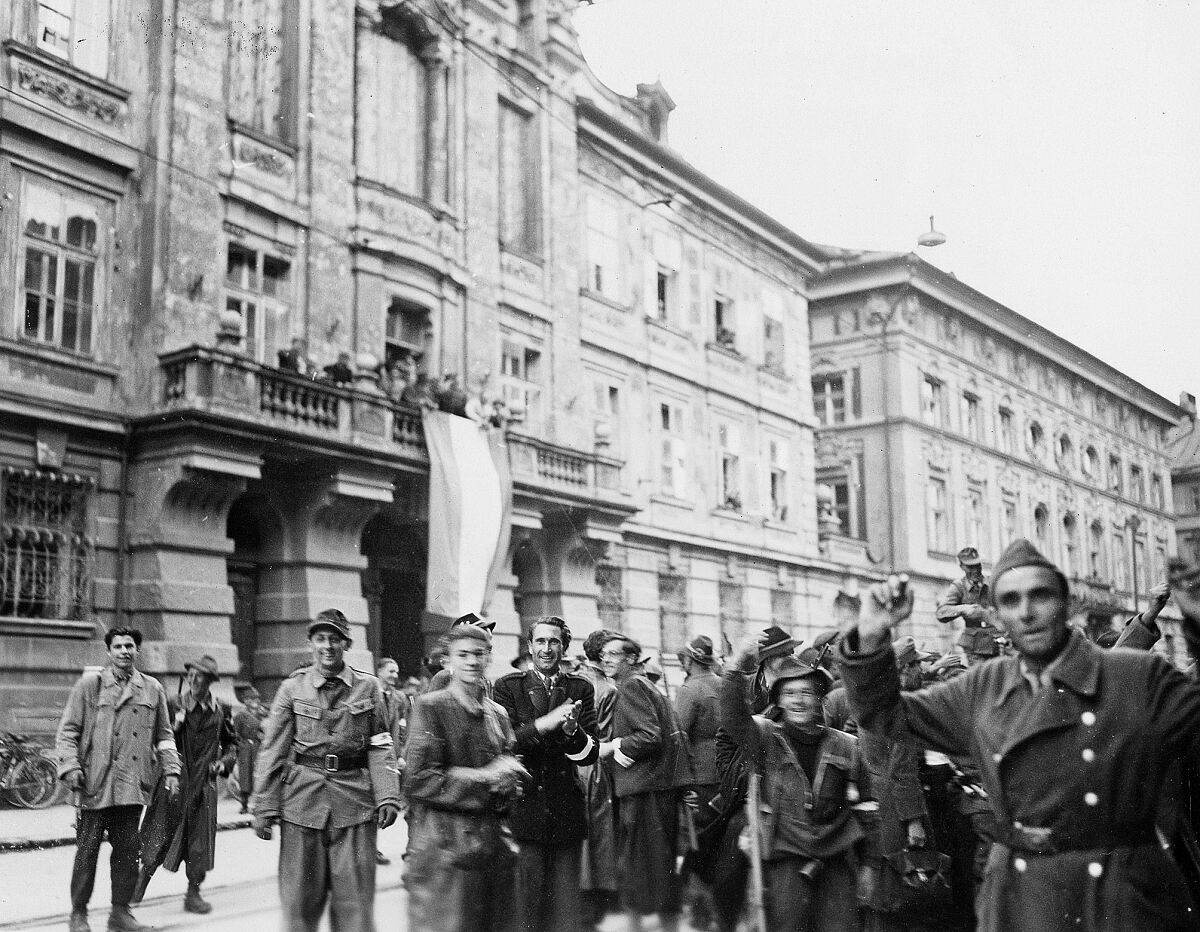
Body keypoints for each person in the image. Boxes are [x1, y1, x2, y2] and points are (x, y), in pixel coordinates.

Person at [839, 539, 1200, 931]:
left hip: (1125, 894)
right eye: (1011, 601)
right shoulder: (983, 687)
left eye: (1040, 596)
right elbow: (886, 716)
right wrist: (871, 638)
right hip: (1026, 898)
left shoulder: (1137, 676)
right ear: (995, 618)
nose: (1026, 613)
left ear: (1068, 604)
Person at [251, 609, 401, 932]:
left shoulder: (369, 688)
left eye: (335, 639)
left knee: (356, 909)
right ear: (310, 644)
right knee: (298, 907)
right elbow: (272, 750)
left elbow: (380, 743)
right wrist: (264, 805)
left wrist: (388, 794)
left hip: (356, 805)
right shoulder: (292, 689)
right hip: (302, 805)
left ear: (346, 643)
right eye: (320, 639)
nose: (327, 646)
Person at [721, 635, 876, 932]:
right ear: (778, 700)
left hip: (836, 862)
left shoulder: (848, 747)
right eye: (790, 694)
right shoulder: (765, 738)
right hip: (787, 862)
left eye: (807, 693)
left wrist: (870, 864)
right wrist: (736, 666)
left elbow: (869, 809)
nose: (799, 701)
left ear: (820, 699)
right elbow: (732, 716)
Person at [55, 627, 181, 932]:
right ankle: (78, 914)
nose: (124, 651)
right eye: (118, 646)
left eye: (129, 646)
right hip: (94, 784)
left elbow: (164, 736)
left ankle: (120, 913)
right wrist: (70, 766)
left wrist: (173, 770)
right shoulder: (90, 685)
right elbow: (67, 731)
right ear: (108, 651)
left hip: (132, 784)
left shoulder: (152, 689)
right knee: (87, 851)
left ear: (138, 651)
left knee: (127, 852)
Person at [404, 622, 527, 932]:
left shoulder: (497, 712)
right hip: (444, 845)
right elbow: (418, 779)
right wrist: (485, 777)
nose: (472, 661)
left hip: (493, 840)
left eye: (479, 654)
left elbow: (509, 759)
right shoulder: (431, 707)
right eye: (463, 655)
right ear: (449, 660)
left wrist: (511, 782)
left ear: (488, 657)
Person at [492, 616, 599, 932]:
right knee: (526, 906)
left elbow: (589, 753)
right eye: (540, 641)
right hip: (525, 808)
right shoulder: (509, 687)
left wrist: (572, 731)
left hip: (566, 807)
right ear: (529, 646)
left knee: (565, 910)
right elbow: (506, 740)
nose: (547, 648)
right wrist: (547, 722)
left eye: (554, 642)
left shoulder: (580, 687)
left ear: (564, 647)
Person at [133, 655, 237, 914]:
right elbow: (156, 740)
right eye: (189, 675)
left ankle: (193, 894)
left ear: (210, 681)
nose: (192, 679)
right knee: (159, 832)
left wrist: (224, 763)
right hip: (175, 781)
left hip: (204, 783)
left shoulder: (222, 709)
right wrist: (174, 726)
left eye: (198, 676)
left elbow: (232, 744)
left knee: (199, 842)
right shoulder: (173, 704)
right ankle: (139, 882)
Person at [598, 635, 684, 931]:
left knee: (639, 866)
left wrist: (614, 746)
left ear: (632, 658)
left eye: (613, 654)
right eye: (603, 655)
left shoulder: (632, 686)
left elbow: (649, 736)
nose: (605, 660)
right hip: (655, 787)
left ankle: (641, 925)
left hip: (644, 789)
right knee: (656, 866)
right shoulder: (645, 684)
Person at [675, 636, 722, 930]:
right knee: (719, 840)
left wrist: (681, 781)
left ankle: (701, 910)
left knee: (698, 840)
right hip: (726, 773)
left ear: (690, 661)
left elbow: (679, 736)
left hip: (700, 776)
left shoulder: (690, 690)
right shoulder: (724, 684)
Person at [575, 628, 620, 928]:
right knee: (599, 832)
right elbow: (607, 735)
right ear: (603, 655)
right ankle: (595, 897)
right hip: (596, 764)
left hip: (571, 764)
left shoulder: (574, 680)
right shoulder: (608, 689)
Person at [936, 546, 1002, 665]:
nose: (975, 570)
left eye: (977, 565)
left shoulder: (993, 583)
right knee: (980, 680)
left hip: (998, 642)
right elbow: (941, 612)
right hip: (975, 646)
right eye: (970, 567)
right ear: (961, 566)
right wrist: (962, 609)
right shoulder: (958, 587)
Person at [375, 657, 405, 866]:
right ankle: (371, 847)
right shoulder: (370, 692)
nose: (395, 675)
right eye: (391, 671)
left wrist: (401, 754)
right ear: (379, 672)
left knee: (386, 802)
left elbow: (402, 728)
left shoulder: (399, 698)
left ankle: (373, 846)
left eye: (396, 672)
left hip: (391, 755)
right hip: (374, 755)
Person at [232, 685, 267, 814]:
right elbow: (235, 733)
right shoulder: (240, 715)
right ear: (245, 701)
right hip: (245, 749)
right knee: (245, 777)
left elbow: (266, 729)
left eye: (257, 699)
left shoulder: (262, 714)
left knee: (258, 777)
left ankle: (259, 805)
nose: (255, 701)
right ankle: (244, 804)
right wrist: (239, 747)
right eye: (251, 699)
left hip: (258, 748)